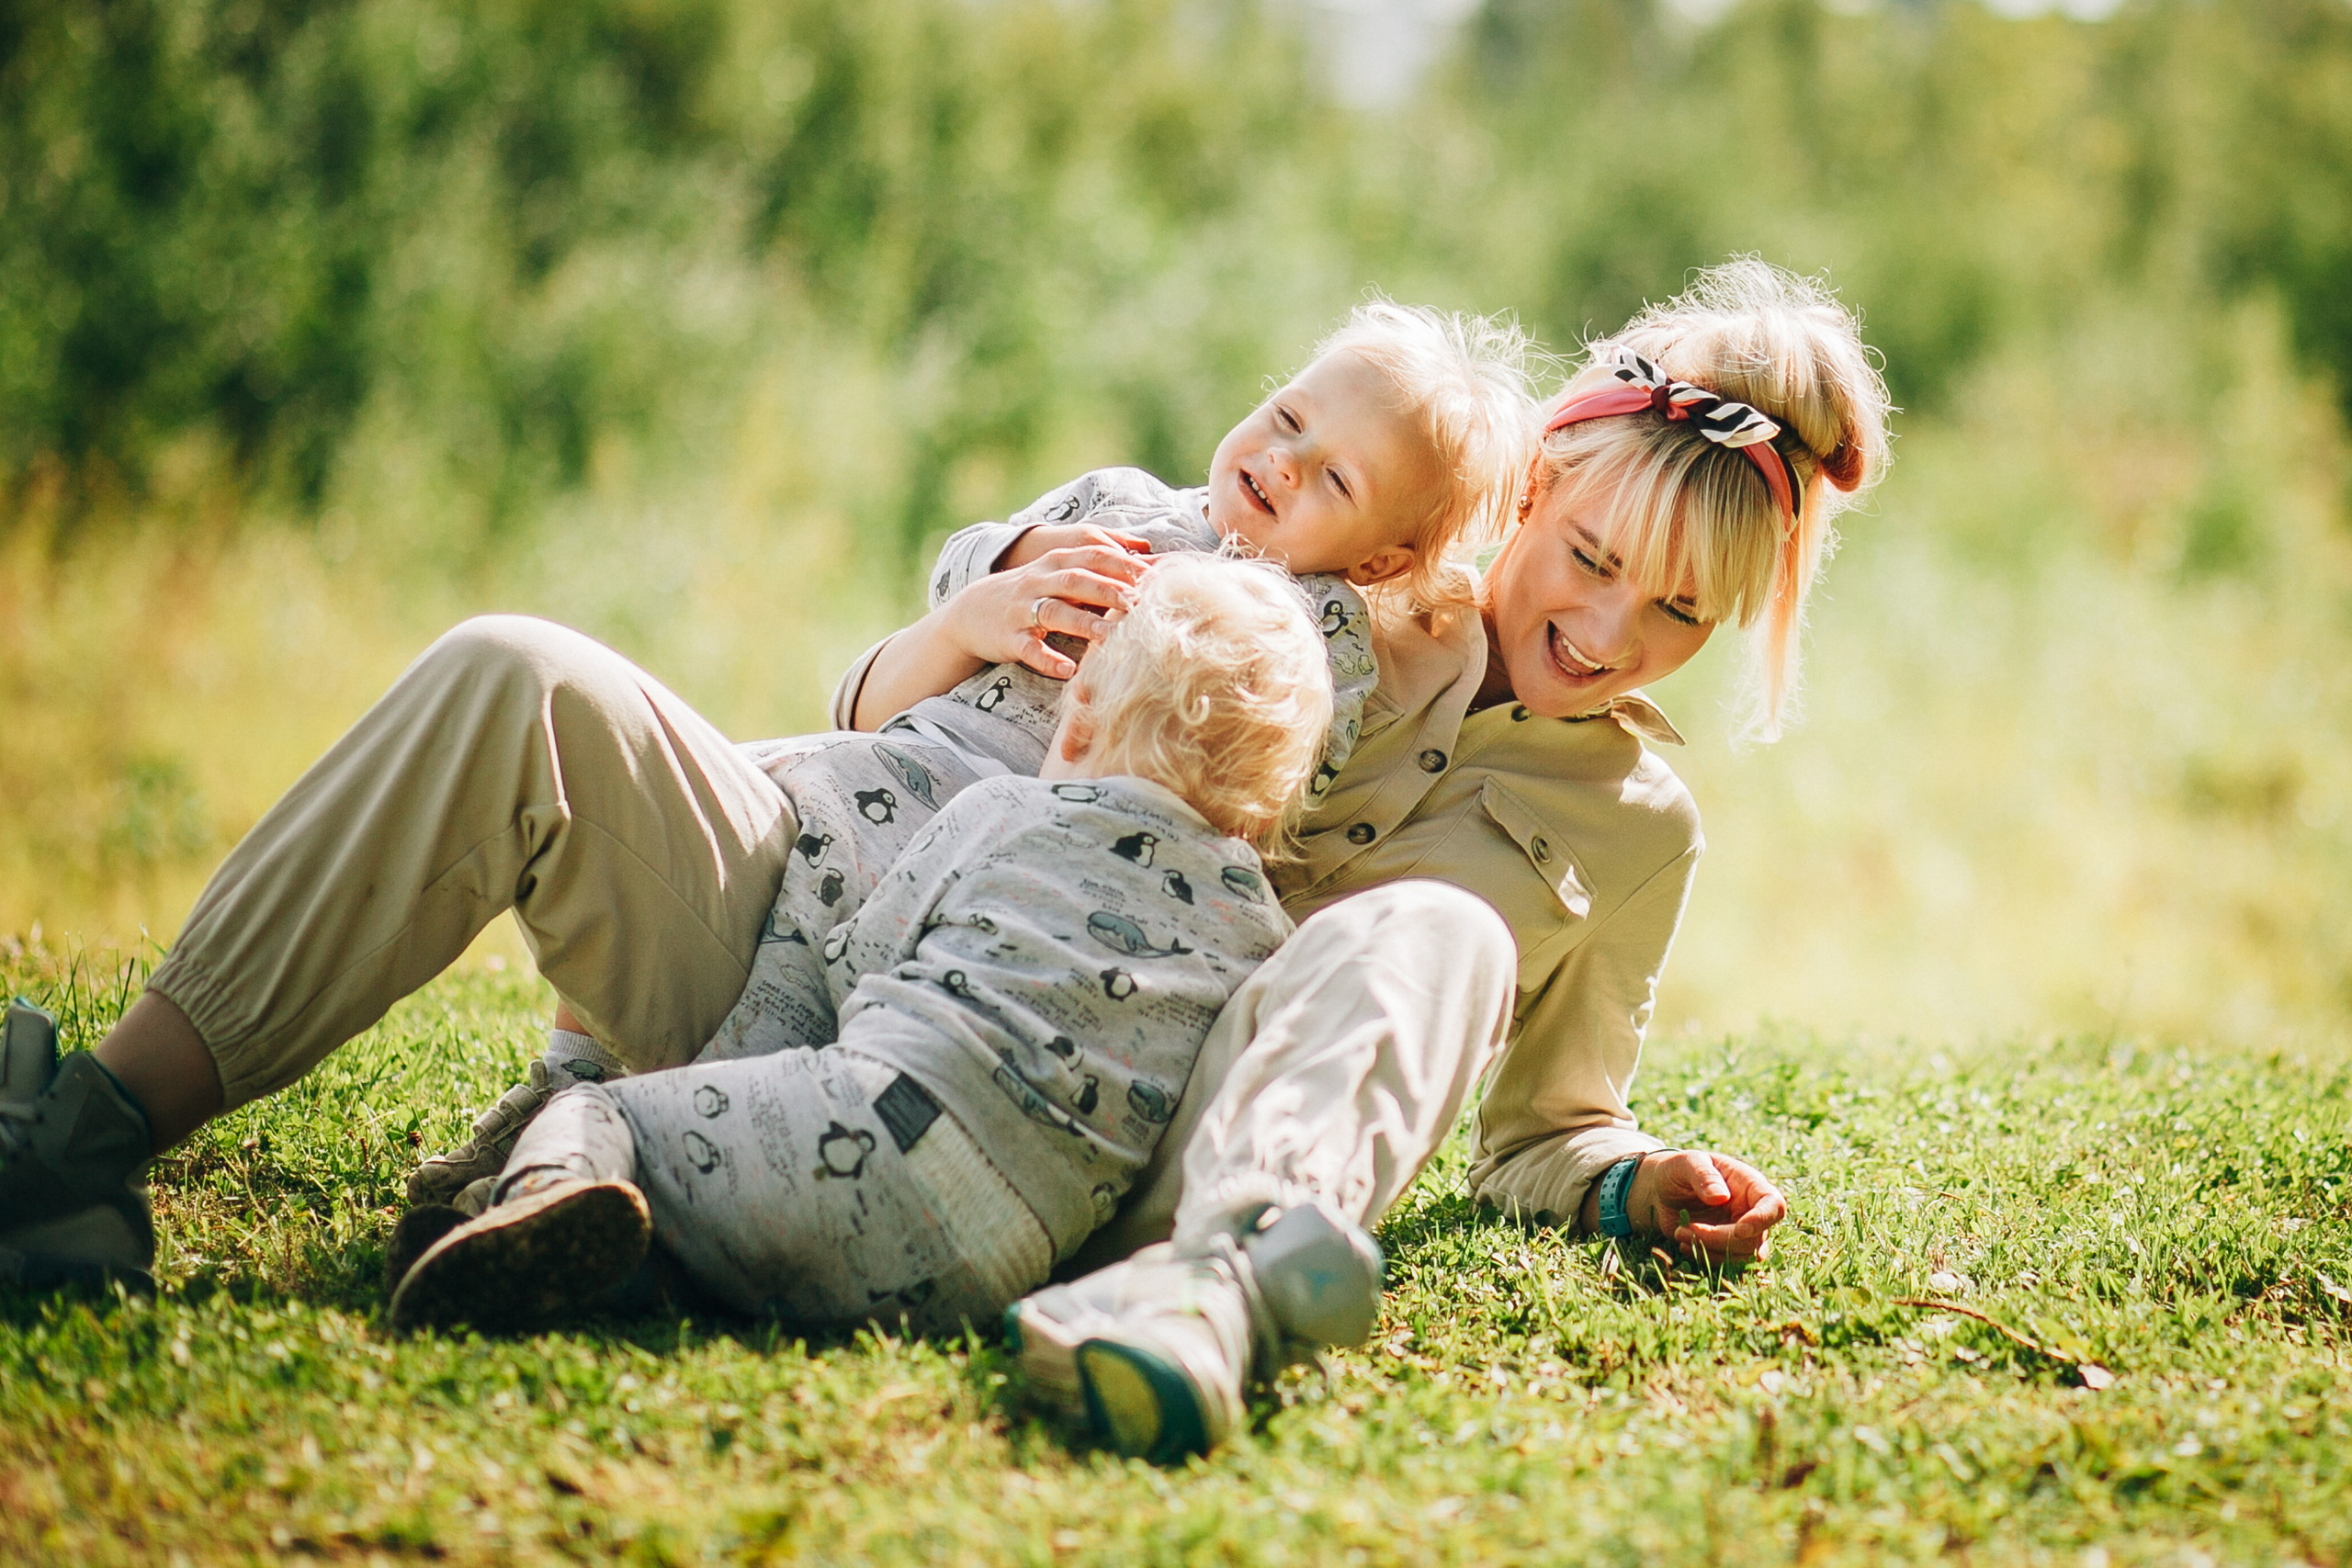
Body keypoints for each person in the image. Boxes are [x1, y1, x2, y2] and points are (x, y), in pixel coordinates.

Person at [832, 260, 1891, 1461]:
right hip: (989, 1021)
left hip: (1177, 1167)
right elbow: (1027, 631)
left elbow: (1547, 1128)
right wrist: (983, 589)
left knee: (1448, 933)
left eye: (1681, 612)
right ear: (1536, 484)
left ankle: (1205, 1291)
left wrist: (1634, 1182)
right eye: (1592, 558)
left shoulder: (1641, 831)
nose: (1611, 635)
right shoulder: (1338, 570)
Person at [398, 299, 1539, 1215]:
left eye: (1335, 478)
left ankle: (653, 1137)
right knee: (713, 795)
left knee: (811, 951)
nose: (1285, 462)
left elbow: (1273, 757)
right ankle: (565, 1085)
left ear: (1384, 562)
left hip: (1004, 845)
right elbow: (953, 571)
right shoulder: (1122, 503)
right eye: (1288, 419)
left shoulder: (1315, 629)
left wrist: (1209, 636)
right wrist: (1005, 581)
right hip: (890, 760)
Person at [387, 554, 1377, 1336]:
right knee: (757, 1238)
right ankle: (618, 1269)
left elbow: (863, 962)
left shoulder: (1001, 812)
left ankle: (526, 1200)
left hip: (871, 1128)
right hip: (1006, 1260)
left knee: (610, 1114)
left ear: (1076, 722)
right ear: (1258, 820)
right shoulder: (1256, 926)